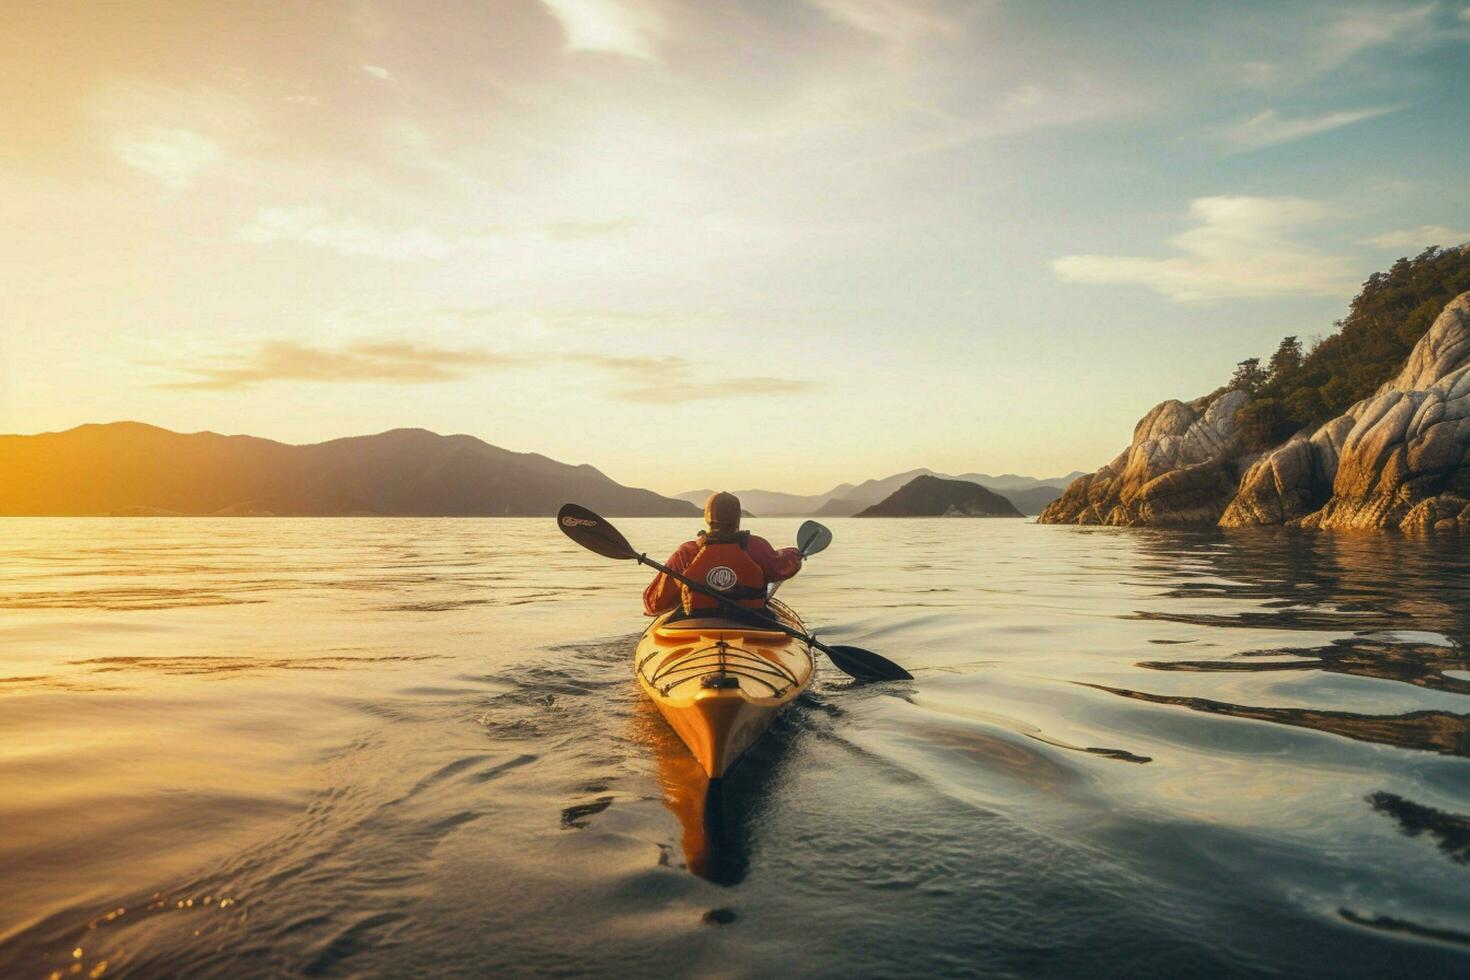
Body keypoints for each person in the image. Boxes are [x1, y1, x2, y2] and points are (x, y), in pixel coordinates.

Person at [643, 491, 803, 617]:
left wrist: (685, 594)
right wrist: (795, 553)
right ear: (737, 517)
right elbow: (784, 567)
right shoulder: (757, 546)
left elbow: (655, 604)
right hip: (752, 622)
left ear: (706, 517)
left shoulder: (687, 552)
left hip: (698, 624)